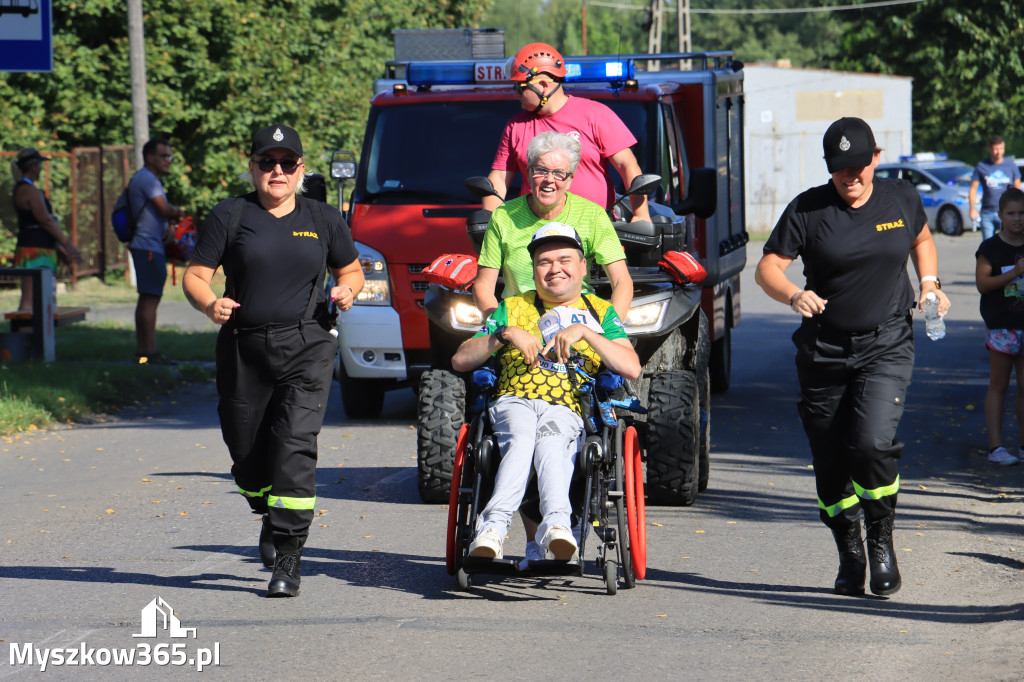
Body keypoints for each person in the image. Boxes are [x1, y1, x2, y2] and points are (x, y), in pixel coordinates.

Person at [754, 116, 951, 598]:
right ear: (829, 168)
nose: (851, 177)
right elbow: (767, 268)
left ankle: (881, 540)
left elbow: (921, 240)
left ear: (875, 160)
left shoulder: (901, 197)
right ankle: (850, 548)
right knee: (831, 463)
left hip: (886, 342)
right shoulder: (808, 208)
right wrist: (793, 295)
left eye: (859, 166)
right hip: (823, 350)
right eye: (841, 169)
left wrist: (929, 284)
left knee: (870, 444)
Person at [182, 124, 364, 598]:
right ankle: (266, 511)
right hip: (243, 347)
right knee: (246, 455)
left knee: (293, 443)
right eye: (267, 162)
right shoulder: (230, 214)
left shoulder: (322, 217)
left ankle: (289, 555)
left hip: (307, 345)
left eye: (287, 163)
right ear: (253, 167)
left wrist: (347, 290)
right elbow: (196, 275)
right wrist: (209, 304)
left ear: (301, 169)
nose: (277, 171)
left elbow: (351, 268)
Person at [452, 224, 640, 562]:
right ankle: (493, 529)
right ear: (534, 269)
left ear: (583, 266)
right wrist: (505, 334)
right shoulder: (510, 308)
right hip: (514, 401)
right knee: (523, 439)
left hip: (567, 407)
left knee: (552, 442)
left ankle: (557, 527)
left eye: (565, 260)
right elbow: (461, 359)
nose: (555, 269)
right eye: (544, 262)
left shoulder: (600, 312)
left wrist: (586, 332)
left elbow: (631, 367)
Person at [483, 42, 650, 223]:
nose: (516, 94)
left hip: (594, 230)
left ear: (543, 85)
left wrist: (641, 215)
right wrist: (489, 223)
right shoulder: (515, 126)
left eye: (520, 87)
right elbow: (498, 179)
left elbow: (627, 165)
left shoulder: (595, 114)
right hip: (534, 234)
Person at [475, 131, 632, 318]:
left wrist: (608, 331)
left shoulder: (593, 215)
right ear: (529, 173)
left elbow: (622, 281)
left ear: (570, 179)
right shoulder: (503, 216)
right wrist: (501, 329)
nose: (549, 179)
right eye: (541, 170)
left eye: (559, 173)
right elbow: (484, 285)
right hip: (518, 322)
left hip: (578, 321)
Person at [974, 187, 1024, 466]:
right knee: (999, 385)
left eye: (1022, 213)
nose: (1018, 219)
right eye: (1011, 213)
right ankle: (996, 448)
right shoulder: (991, 248)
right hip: (1002, 326)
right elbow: (983, 284)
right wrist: (1015, 273)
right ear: (1000, 215)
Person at [128, 138, 186, 363]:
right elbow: (164, 208)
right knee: (151, 298)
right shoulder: (147, 179)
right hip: (148, 246)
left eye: (170, 156)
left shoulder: (147, 179)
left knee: (147, 298)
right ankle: (149, 353)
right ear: (150, 157)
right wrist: (178, 211)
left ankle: (143, 351)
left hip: (148, 245)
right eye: (164, 156)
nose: (169, 161)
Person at [9, 148, 81, 312]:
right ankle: (23, 335)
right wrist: (67, 243)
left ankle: (39, 336)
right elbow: (45, 220)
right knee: (30, 301)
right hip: (35, 252)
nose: (41, 169)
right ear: (34, 167)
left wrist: (57, 246)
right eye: (40, 165)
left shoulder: (24, 189)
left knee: (43, 299)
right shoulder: (29, 191)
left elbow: (39, 223)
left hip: (39, 249)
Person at [969, 134, 1022, 240]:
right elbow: (973, 188)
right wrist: (972, 209)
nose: (999, 152)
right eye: (996, 149)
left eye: (1001, 148)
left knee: (1007, 244)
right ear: (989, 149)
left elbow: (1018, 190)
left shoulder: (1011, 165)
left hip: (1008, 213)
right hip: (987, 212)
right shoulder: (982, 166)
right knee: (988, 246)